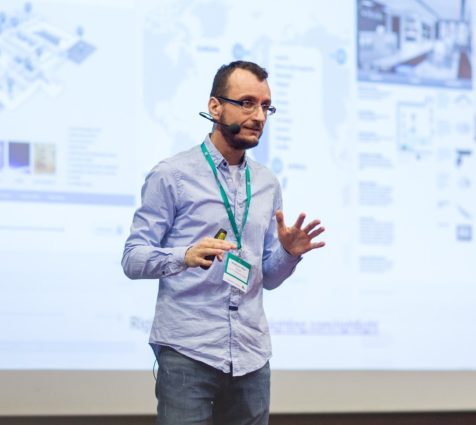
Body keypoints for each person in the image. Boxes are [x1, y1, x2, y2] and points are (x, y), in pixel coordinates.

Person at [122, 60, 326, 424]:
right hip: (188, 351)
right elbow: (133, 258)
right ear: (215, 107)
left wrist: (289, 255)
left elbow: (269, 277)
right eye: (247, 103)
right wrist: (184, 255)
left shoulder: (267, 183)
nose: (258, 116)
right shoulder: (172, 175)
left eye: (265, 106)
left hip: (251, 355)